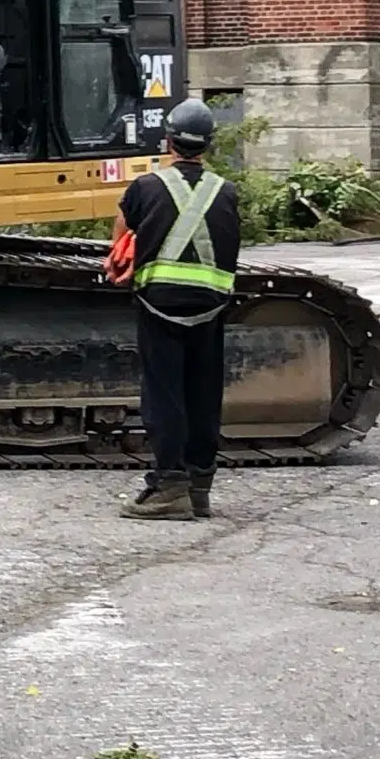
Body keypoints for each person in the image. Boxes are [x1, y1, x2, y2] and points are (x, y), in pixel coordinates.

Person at [108, 98, 242, 519]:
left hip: (159, 304)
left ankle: (169, 487)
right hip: (209, 307)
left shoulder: (146, 187)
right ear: (207, 145)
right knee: (203, 392)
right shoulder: (226, 190)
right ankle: (200, 485)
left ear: (168, 141)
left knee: (165, 395)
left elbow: (120, 238)